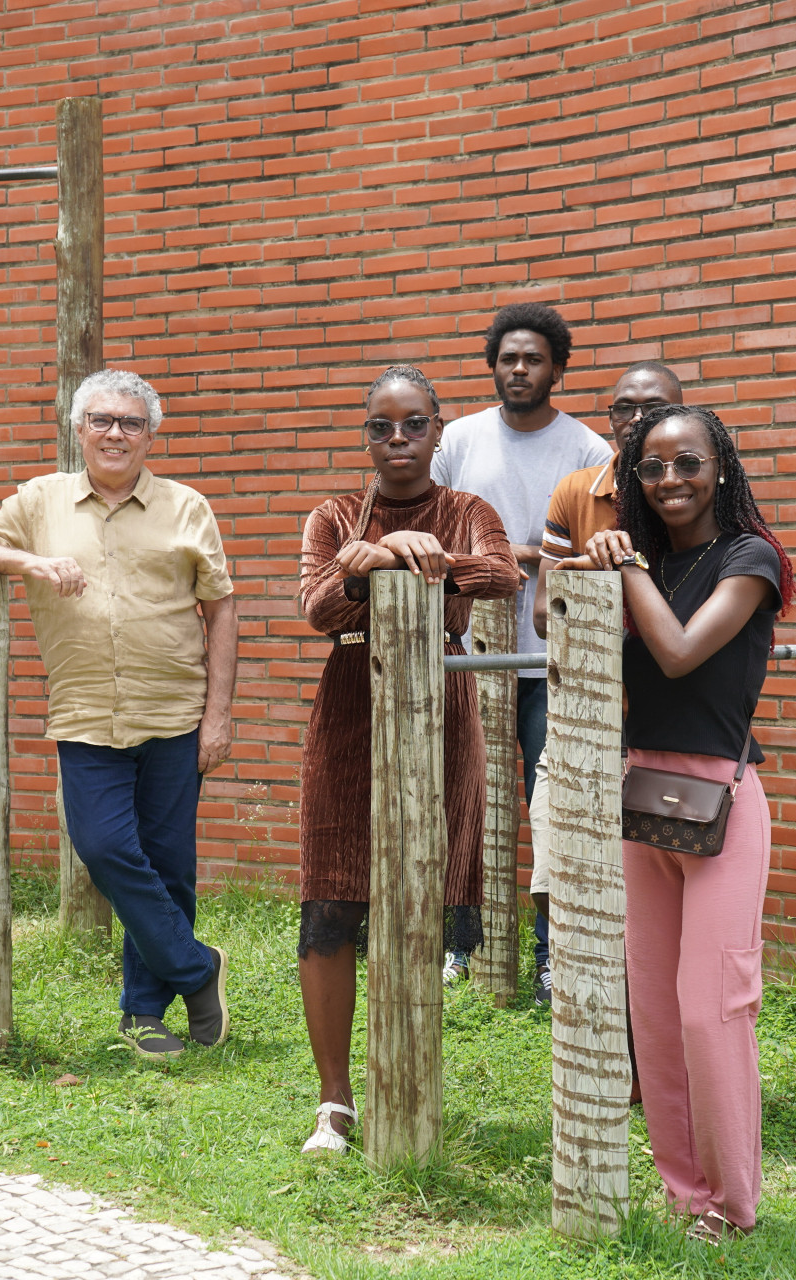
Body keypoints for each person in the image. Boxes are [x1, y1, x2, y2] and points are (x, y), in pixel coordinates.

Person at [0, 368, 238, 1061]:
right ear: (78, 429)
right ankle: (197, 969)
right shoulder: (40, 500)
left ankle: (144, 1012)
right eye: (101, 420)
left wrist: (219, 716)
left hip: (175, 713)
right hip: (83, 716)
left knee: (169, 866)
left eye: (131, 423)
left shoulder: (187, 506)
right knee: (104, 848)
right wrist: (31, 564)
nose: (115, 433)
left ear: (150, 436)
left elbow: (221, 608)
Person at [559, 403, 796, 1242]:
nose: (669, 480)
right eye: (651, 467)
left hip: (722, 804)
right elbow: (559, 625)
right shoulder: (645, 560)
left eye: (687, 462)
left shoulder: (751, 558)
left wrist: (622, 567)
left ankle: (733, 1204)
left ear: (719, 467)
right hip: (642, 796)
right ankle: (685, 1193)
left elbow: (681, 650)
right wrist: (599, 564)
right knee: (656, 1016)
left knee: (711, 1009)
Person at [294, 364, 520, 1153]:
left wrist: (401, 556)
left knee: (418, 898)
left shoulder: (466, 510)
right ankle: (334, 1100)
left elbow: (505, 574)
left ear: (437, 431)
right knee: (329, 900)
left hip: (439, 705)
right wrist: (368, 558)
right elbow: (317, 607)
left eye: (414, 424)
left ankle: (406, 1077)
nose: (399, 439)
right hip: (348, 708)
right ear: (366, 436)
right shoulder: (333, 516)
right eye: (382, 426)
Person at [431, 302, 609, 985]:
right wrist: (523, 554)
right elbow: (432, 526)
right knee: (463, 801)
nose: (519, 369)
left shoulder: (588, 450)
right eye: (508, 358)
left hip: (549, 657)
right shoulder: (459, 440)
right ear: (493, 366)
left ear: (557, 368)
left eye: (534, 359)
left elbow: (595, 549)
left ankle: (548, 954)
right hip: (466, 654)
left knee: (551, 806)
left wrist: (516, 552)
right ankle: (461, 947)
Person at [527, 360, 683, 1004]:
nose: (637, 418)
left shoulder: (687, 493)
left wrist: (629, 574)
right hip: (585, 710)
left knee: (646, 872)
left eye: (655, 407)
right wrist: (595, 576)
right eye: (624, 407)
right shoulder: (576, 492)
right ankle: (568, 976)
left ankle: (637, 995)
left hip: (666, 718)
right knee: (555, 852)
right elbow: (544, 613)